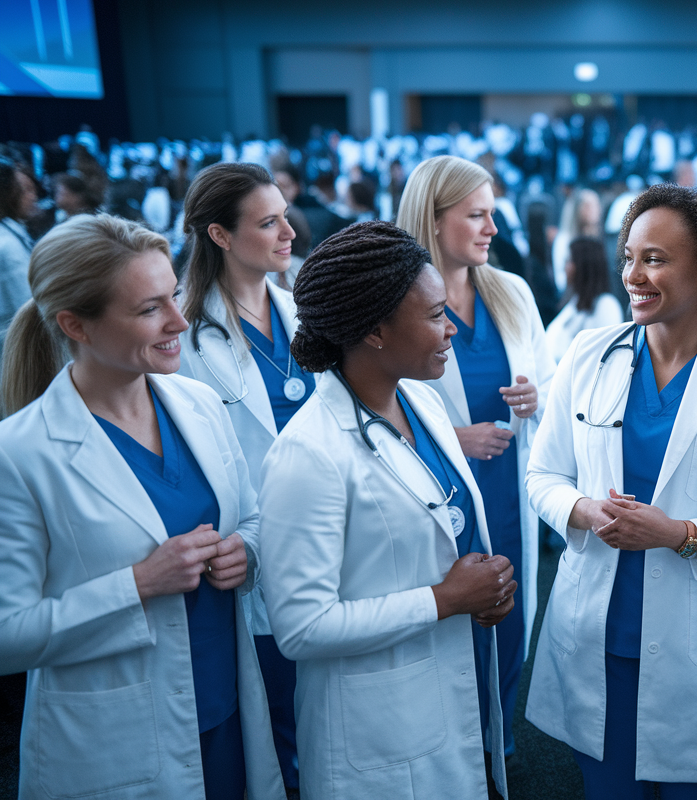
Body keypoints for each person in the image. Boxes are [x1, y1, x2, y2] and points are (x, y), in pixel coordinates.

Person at [0, 215, 284, 799]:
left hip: (225, 710)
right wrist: (138, 584)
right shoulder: (21, 453)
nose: (181, 321)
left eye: (174, 296)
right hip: (114, 741)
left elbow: (251, 518)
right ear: (75, 324)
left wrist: (246, 554)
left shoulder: (199, 404)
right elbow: (8, 635)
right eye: (150, 309)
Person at [524, 184, 697, 799]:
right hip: (599, 632)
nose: (633, 275)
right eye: (630, 257)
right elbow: (543, 477)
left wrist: (679, 534)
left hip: (695, 640)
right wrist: (581, 510)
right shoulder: (589, 356)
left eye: (656, 259)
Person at [258, 221, 514, 799]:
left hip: (453, 695)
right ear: (374, 330)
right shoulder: (307, 453)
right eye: (433, 316)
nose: (450, 329)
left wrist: (483, 592)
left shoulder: (420, 399)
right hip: (379, 738)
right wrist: (446, 600)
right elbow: (301, 627)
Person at [396, 155, 553, 759]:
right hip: (435, 498)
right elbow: (367, 399)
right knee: (444, 633)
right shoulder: (399, 297)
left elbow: (555, 383)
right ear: (434, 221)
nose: (492, 228)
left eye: (493, 214)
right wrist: (450, 438)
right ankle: (454, 757)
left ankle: (496, 746)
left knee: (508, 623)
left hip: (508, 496)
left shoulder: (509, 290)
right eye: (477, 215)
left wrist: (539, 396)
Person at [174, 162, 309, 794]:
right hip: (252, 559)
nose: (288, 232)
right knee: (278, 726)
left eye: (285, 215)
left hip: (326, 540)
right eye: (268, 222)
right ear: (220, 236)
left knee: (325, 720)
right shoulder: (182, 338)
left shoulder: (302, 311)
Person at [545, 237, 624, 365]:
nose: (565, 267)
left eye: (569, 261)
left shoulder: (606, 305)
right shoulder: (573, 302)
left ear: (584, 264)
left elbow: (607, 358)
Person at [0, 159, 39, 354]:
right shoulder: (7, 246)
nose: (33, 197)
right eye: (23, 190)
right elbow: (28, 311)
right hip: (18, 352)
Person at [551, 187, 603, 296]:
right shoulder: (564, 239)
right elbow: (560, 278)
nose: (595, 210)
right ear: (577, 208)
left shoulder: (597, 239)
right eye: (588, 206)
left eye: (596, 205)